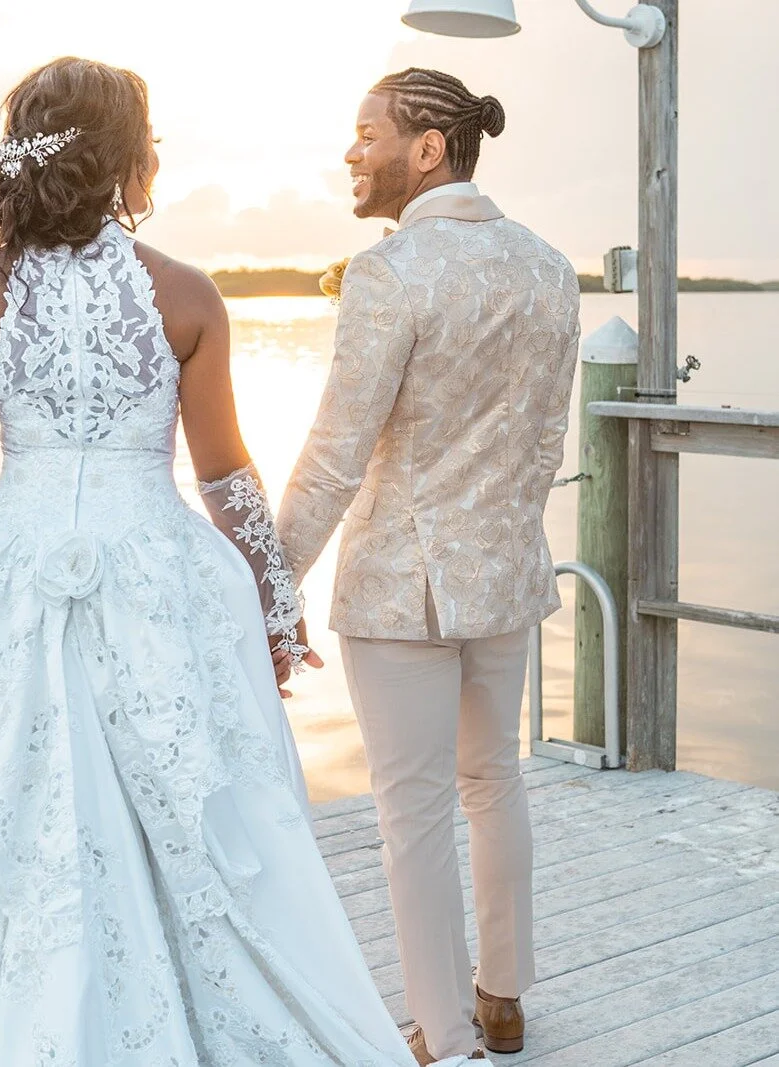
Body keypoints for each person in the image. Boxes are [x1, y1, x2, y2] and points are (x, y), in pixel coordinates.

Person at [0, 55, 428, 1067]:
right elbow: (226, 479)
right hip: (162, 581)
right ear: (120, 159)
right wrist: (270, 603)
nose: (159, 153)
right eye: (149, 137)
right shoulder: (185, 294)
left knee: (32, 825)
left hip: (12, 585)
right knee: (192, 816)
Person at [276, 69, 581, 1065]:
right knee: (493, 780)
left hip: (400, 586)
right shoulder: (548, 268)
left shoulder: (390, 271)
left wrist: (266, 575)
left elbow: (333, 452)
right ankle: (503, 999)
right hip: (502, 577)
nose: (350, 153)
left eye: (365, 134)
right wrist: (499, 535)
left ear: (427, 149)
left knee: (410, 810)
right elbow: (543, 443)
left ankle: (440, 1032)